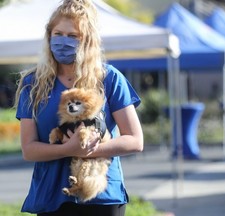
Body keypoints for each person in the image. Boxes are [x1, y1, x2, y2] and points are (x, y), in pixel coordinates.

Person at [14, 0, 143, 215]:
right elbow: (29, 149)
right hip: (51, 196)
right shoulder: (33, 84)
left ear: (87, 40)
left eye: (73, 36)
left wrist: (90, 149)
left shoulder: (109, 79)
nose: (63, 41)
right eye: (58, 34)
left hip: (101, 195)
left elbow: (135, 140)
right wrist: (67, 149)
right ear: (49, 36)